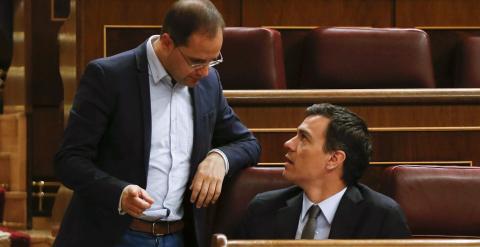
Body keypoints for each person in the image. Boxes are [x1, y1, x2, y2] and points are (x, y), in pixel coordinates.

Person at [53, 1, 260, 246]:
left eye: (213, 61)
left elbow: (248, 142)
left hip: (178, 236)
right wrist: (118, 193)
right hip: (114, 235)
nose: (204, 71)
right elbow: (69, 160)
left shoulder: (208, 83)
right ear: (167, 42)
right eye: (196, 61)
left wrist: (219, 158)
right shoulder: (109, 77)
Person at [238, 103, 410, 240]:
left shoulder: (381, 217)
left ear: (334, 159)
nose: (289, 144)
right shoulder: (263, 209)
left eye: (304, 137)